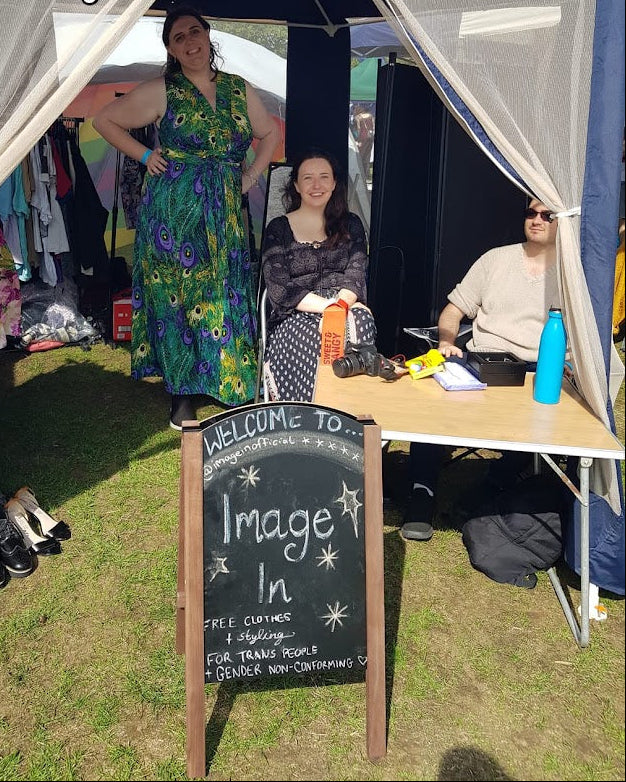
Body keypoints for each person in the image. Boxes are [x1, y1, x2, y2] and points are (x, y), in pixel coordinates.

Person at [93, 5, 280, 430]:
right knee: (178, 295)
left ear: (208, 35)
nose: (190, 42)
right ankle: (181, 393)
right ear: (172, 50)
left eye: (194, 32)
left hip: (227, 211)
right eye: (178, 38)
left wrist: (250, 175)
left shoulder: (238, 88)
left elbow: (268, 134)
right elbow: (104, 120)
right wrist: (144, 154)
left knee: (225, 290)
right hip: (174, 211)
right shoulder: (162, 89)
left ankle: (228, 381)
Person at [401, 197, 560, 542]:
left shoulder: (569, 274)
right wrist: (445, 341)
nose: (537, 219)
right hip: (481, 358)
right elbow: (452, 312)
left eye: (547, 214)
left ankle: (495, 482)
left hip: (535, 366)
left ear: (561, 221)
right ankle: (421, 493)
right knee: (430, 400)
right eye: (530, 213)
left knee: (543, 413)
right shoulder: (495, 259)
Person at [261, 149, 377, 402]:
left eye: (324, 177)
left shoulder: (351, 224)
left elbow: (355, 274)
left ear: (334, 183)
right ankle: (309, 414)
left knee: (361, 322)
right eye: (308, 178)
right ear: (296, 185)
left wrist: (340, 308)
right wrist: (329, 310)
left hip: (346, 304)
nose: (317, 185)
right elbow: (280, 289)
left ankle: (353, 412)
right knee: (313, 338)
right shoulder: (278, 228)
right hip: (296, 312)